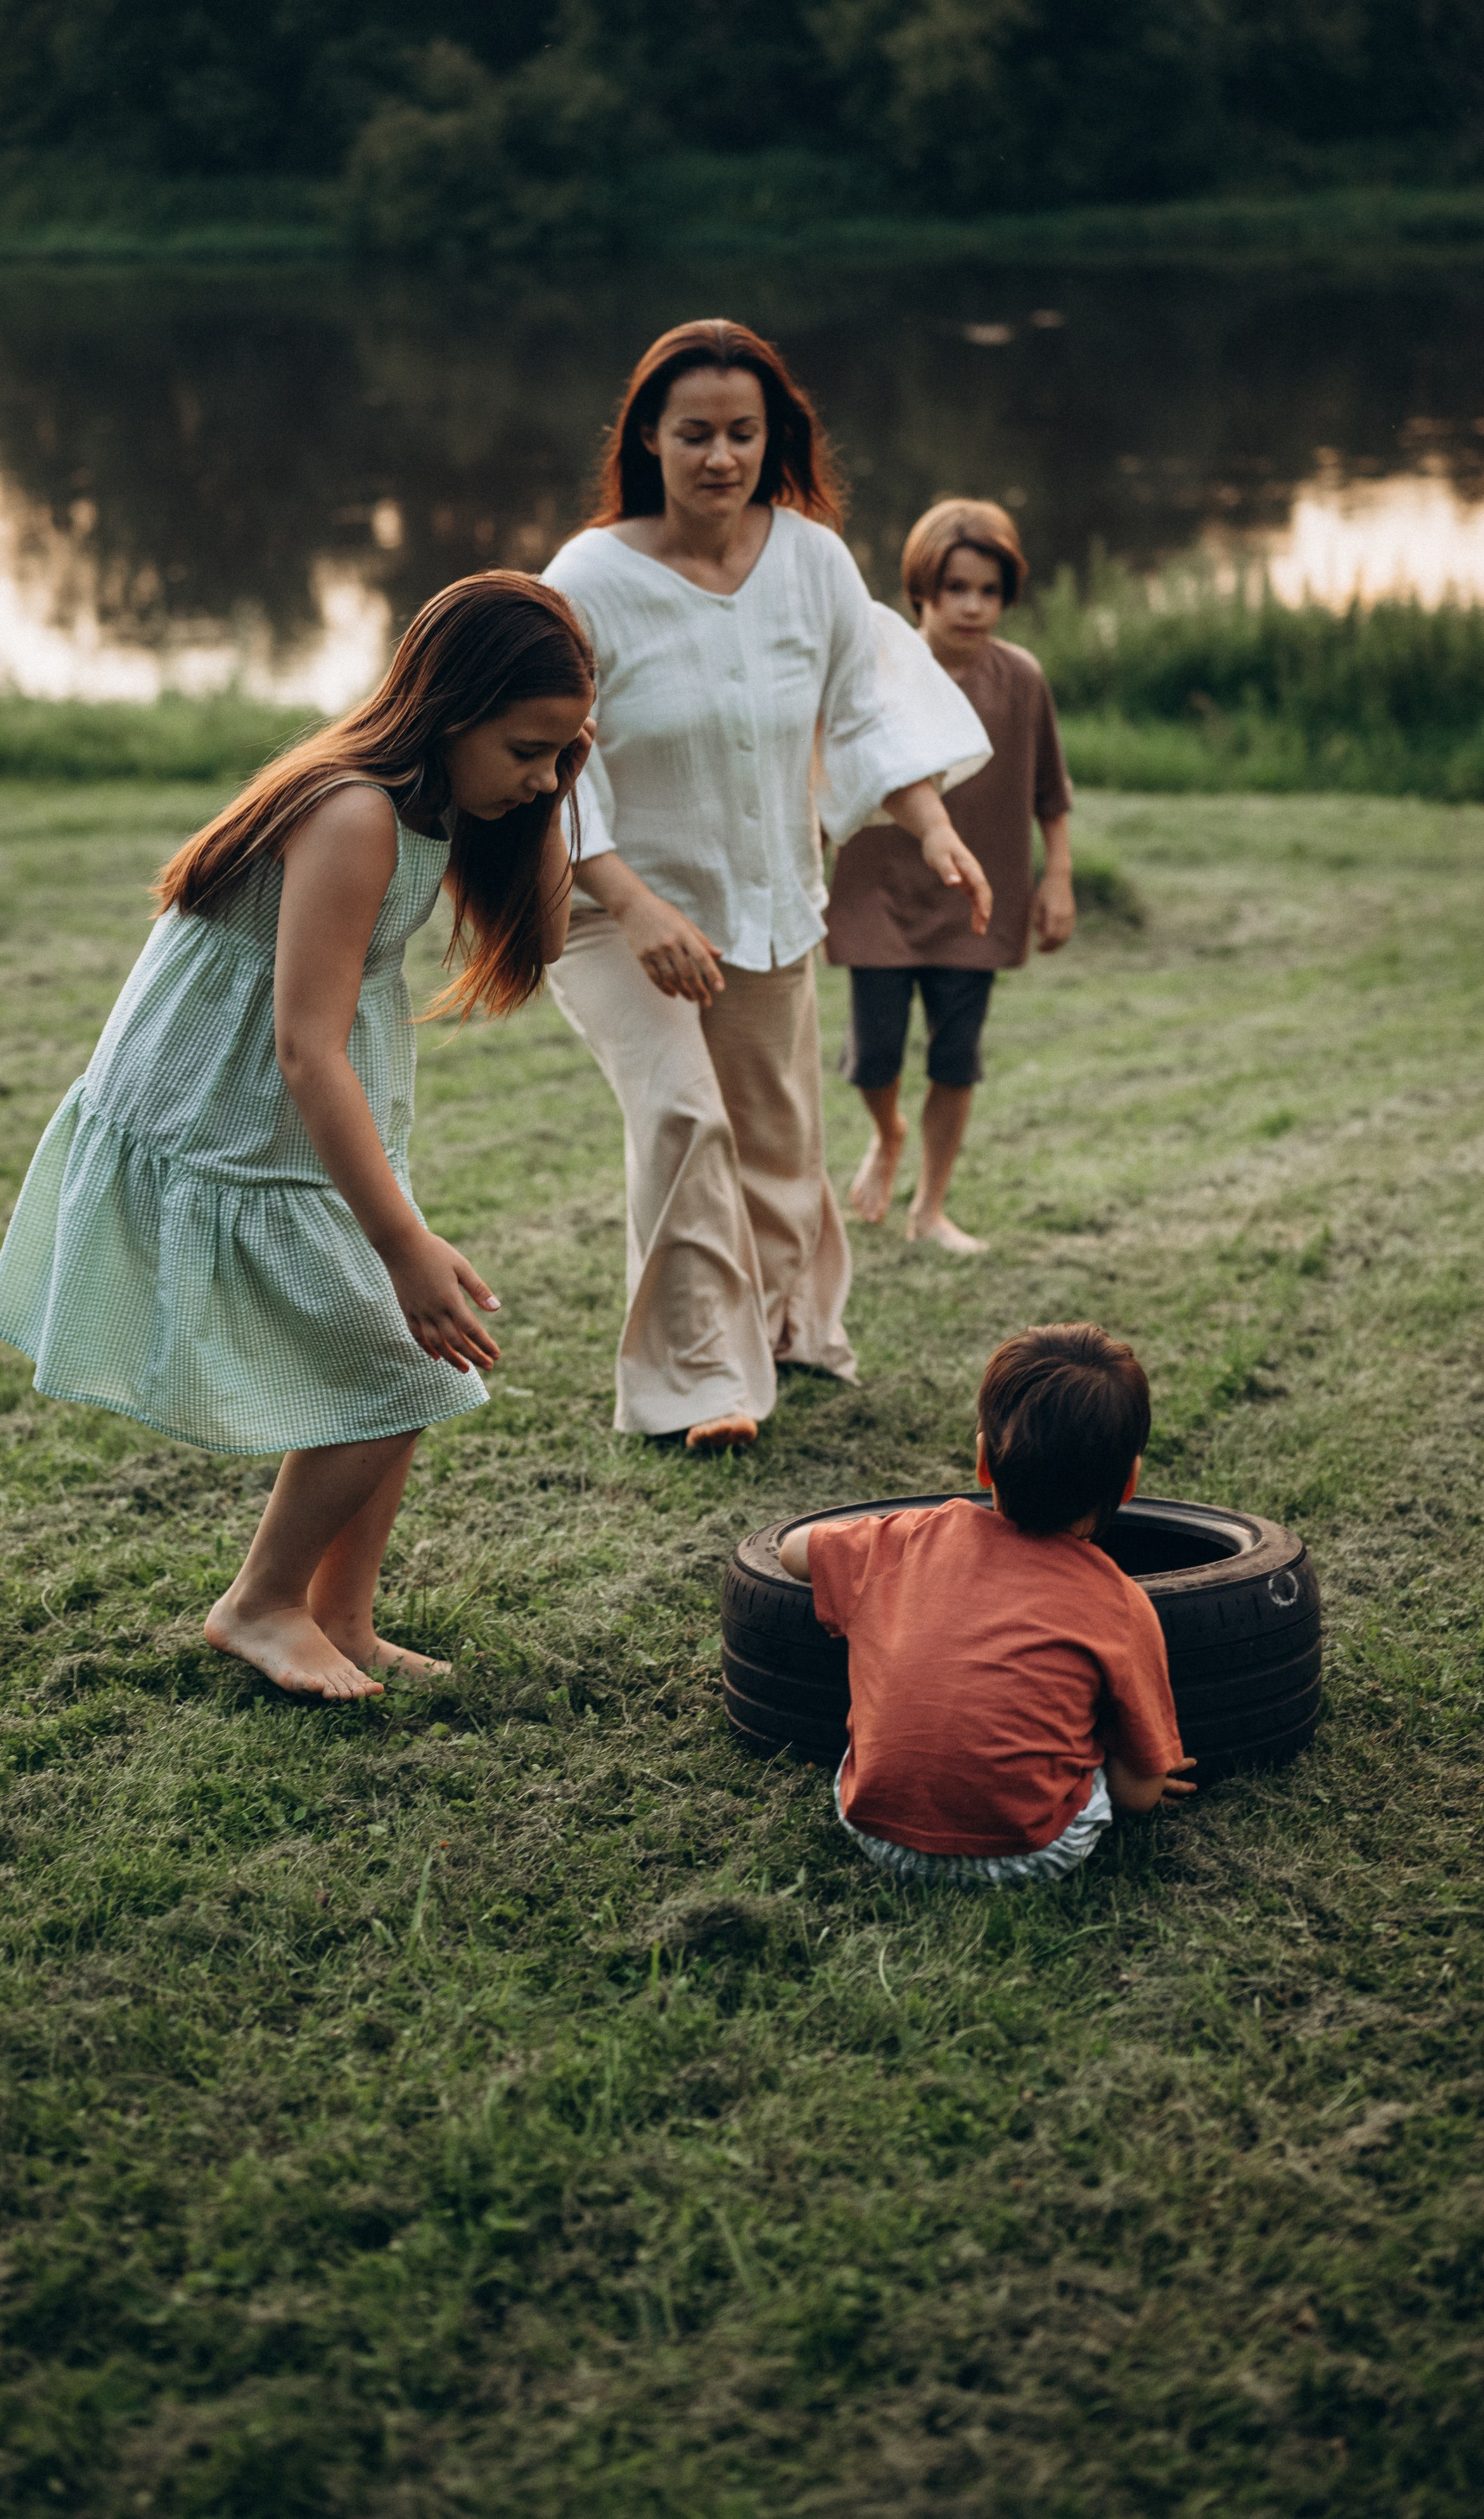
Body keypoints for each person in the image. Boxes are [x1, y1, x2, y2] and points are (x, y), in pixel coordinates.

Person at [0, 573, 596, 1702]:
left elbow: (548, 934)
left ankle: (339, 1615)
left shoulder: (444, 799)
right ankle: (260, 1601)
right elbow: (306, 1046)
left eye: (563, 750)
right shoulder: (355, 808)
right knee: (402, 1346)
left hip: (298, 1104)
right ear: (453, 710)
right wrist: (403, 1242)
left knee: (417, 1355)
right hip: (236, 1107)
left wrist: (559, 789)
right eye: (527, 747)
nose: (542, 774)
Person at [542, 319, 992, 1454]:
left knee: (779, 1146)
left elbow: (866, 704)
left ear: (772, 438)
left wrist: (930, 823)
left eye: (744, 433)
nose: (720, 458)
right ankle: (700, 1384)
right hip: (610, 913)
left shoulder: (811, 559)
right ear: (649, 436)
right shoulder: (587, 579)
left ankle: (791, 1326)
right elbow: (546, 755)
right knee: (685, 1120)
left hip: (768, 902)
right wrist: (634, 904)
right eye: (694, 433)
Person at [779, 1324, 1196, 1885]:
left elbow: (790, 1551)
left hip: (875, 1831)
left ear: (982, 1461)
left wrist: (876, 1535)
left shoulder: (906, 1540)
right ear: (1129, 1482)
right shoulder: (1121, 1602)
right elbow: (1136, 1794)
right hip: (1029, 1852)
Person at [826, 498, 1075, 1255]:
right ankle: (886, 1130)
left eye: (989, 591)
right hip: (875, 895)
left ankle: (930, 1208)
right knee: (872, 1057)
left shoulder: (1022, 680)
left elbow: (1050, 796)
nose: (972, 606)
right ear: (920, 592)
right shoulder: (878, 669)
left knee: (954, 1058)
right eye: (956, 587)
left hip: (979, 901)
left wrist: (1055, 877)